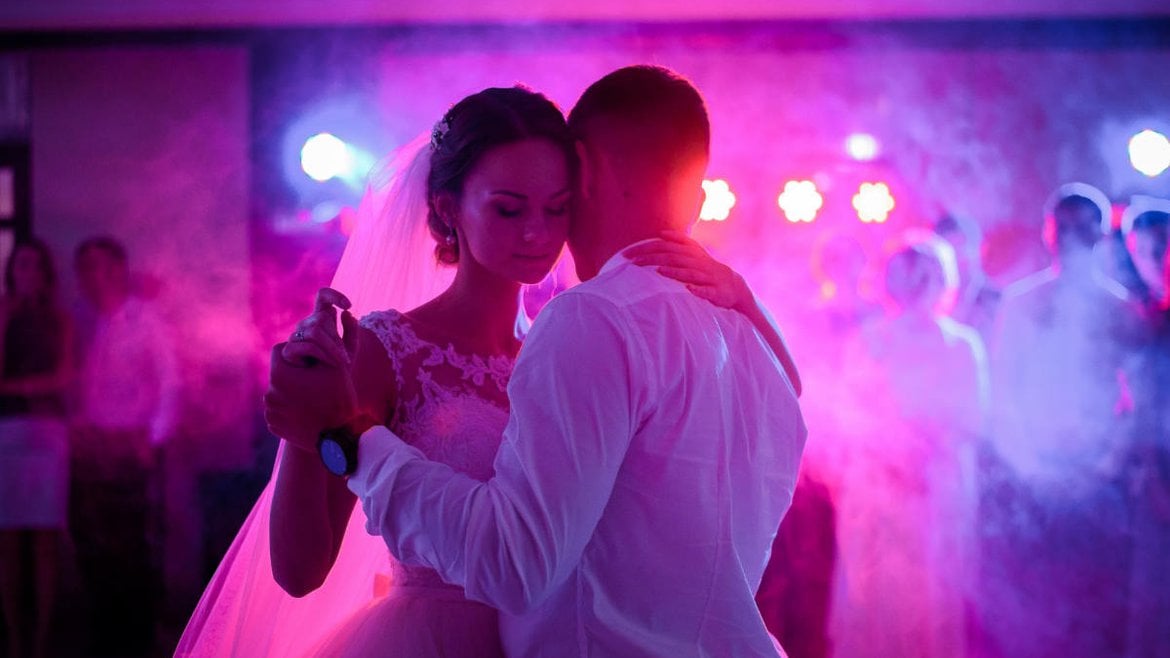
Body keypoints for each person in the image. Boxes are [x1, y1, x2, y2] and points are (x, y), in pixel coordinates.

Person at [180, 80, 800, 657]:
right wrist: (306, 433)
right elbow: (298, 570)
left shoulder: (571, 343)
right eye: (508, 209)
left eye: (556, 208)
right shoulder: (390, 346)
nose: (537, 233)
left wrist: (745, 301)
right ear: (450, 209)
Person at [984, 183, 1140, 658]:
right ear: (1047, 234)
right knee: (1034, 608)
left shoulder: (1120, 309)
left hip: (1099, 478)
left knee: (1097, 605)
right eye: (1064, 229)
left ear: (1101, 235)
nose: (1072, 239)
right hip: (1035, 475)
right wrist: (1029, 464)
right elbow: (1002, 390)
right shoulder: (1020, 303)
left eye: (1084, 230)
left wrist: (1106, 465)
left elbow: (1135, 400)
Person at [833, 233, 987, 658]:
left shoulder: (961, 345)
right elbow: (851, 414)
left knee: (933, 602)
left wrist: (926, 452)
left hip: (938, 492)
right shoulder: (870, 341)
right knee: (878, 598)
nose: (919, 283)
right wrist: (893, 453)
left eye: (928, 273)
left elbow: (970, 418)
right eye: (910, 273)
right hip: (880, 492)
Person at [70, 236, 179, 658]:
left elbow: (170, 383)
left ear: (117, 269)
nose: (87, 276)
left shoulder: (145, 319)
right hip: (91, 445)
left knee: (133, 545)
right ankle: (104, 636)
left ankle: (137, 639)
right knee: (93, 543)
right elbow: (74, 383)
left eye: (95, 265)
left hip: (132, 443)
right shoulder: (80, 318)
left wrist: (152, 439)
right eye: (83, 268)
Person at [0, 238, 72, 658]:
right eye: (21, 265)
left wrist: (15, 387)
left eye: (34, 266)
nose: (27, 273)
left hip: (47, 430)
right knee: (7, 537)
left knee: (45, 536)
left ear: (45, 274)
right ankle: (13, 636)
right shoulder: (2, 311)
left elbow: (63, 376)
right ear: (12, 271)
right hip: (7, 429)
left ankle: (43, 638)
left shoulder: (60, 319)